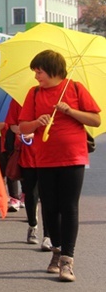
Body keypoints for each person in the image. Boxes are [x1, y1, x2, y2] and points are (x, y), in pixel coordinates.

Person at [18, 50, 100, 282]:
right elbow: (23, 126)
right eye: (35, 72)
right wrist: (37, 122)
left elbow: (95, 119)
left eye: (39, 71)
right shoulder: (33, 94)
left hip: (73, 157)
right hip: (44, 159)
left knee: (69, 207)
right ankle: (55, 249)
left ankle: (67, 260)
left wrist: (70, 111)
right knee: (50, 208)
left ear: (52, 70)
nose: (36, 76)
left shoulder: (74, 88)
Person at [1, 99, 52, 250]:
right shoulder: (17, 100)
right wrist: (26, 131)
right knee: (31, 193)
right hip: (28, 155)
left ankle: (48, 235)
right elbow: (12, 125)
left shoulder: (55, 101)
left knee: (48, 195)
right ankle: (32, 226)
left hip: (50, 155)